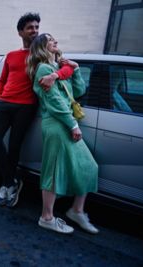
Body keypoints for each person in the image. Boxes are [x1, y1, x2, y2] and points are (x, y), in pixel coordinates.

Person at [0, 12, 74, 207]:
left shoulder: (42, 55)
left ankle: (7, 186)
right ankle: (11, 181)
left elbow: (68, 68)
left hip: (26, 107)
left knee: (15, 147)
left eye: (37, 27)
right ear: (20, 32)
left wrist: (54, 76)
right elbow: (2, 79)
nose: (35, 30)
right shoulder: (11, 55)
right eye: (30, 28)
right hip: (3, 104)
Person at [27, 33, 99, 234]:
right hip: (57, 125)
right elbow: (55, 102)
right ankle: (46, 217)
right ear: (42, 46)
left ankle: (77, 210)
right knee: (53, 170)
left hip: (65, 123)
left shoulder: (58, 69)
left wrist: (75, 69)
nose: (56, 42)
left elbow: (78, 91)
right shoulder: (43, 69)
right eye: (51, 40)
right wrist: (73, 125)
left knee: (88, 167)